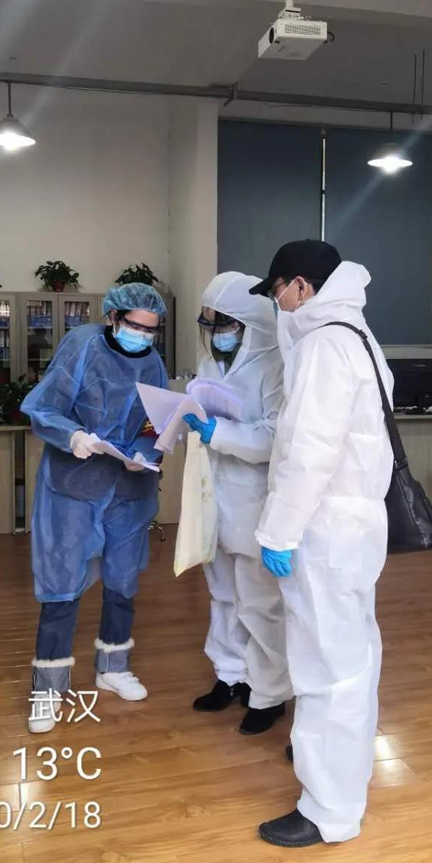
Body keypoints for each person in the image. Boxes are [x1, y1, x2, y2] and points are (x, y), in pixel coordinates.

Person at [247, 240, 394, 848]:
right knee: (353, 661)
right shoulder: (359, 335)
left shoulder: (323, 345)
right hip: (354, 527)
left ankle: (329, 810)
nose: (277, 304)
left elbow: (309, 452)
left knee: (325, 668)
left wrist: (278, 532)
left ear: (302, 286)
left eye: (277, 291)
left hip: (323, 529)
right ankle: (343, 783)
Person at [21, 283, 168, 734]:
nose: (142, 336)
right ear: (112, 317)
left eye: (151, 330)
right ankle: (48, 689)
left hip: (129, 487)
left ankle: (113, 667)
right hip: (74, 485)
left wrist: (148, 451)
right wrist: (73, 436)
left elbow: (156, 421)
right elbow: (44, 406)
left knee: (123, 579)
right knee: (61, 584)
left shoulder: (153, 362)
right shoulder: (83, 346)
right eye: (134, 326)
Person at [183, 272, 292, 735]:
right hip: (215, 496)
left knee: (259, 604)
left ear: (249, 323)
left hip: (254, 501)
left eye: (222, 324)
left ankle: (269, 693)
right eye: (208, 324)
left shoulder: (276, 366)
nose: (215, 335)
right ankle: (230, 675)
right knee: (223, 597)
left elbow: (274, 438)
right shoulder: (210, 364)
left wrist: (219, 433)